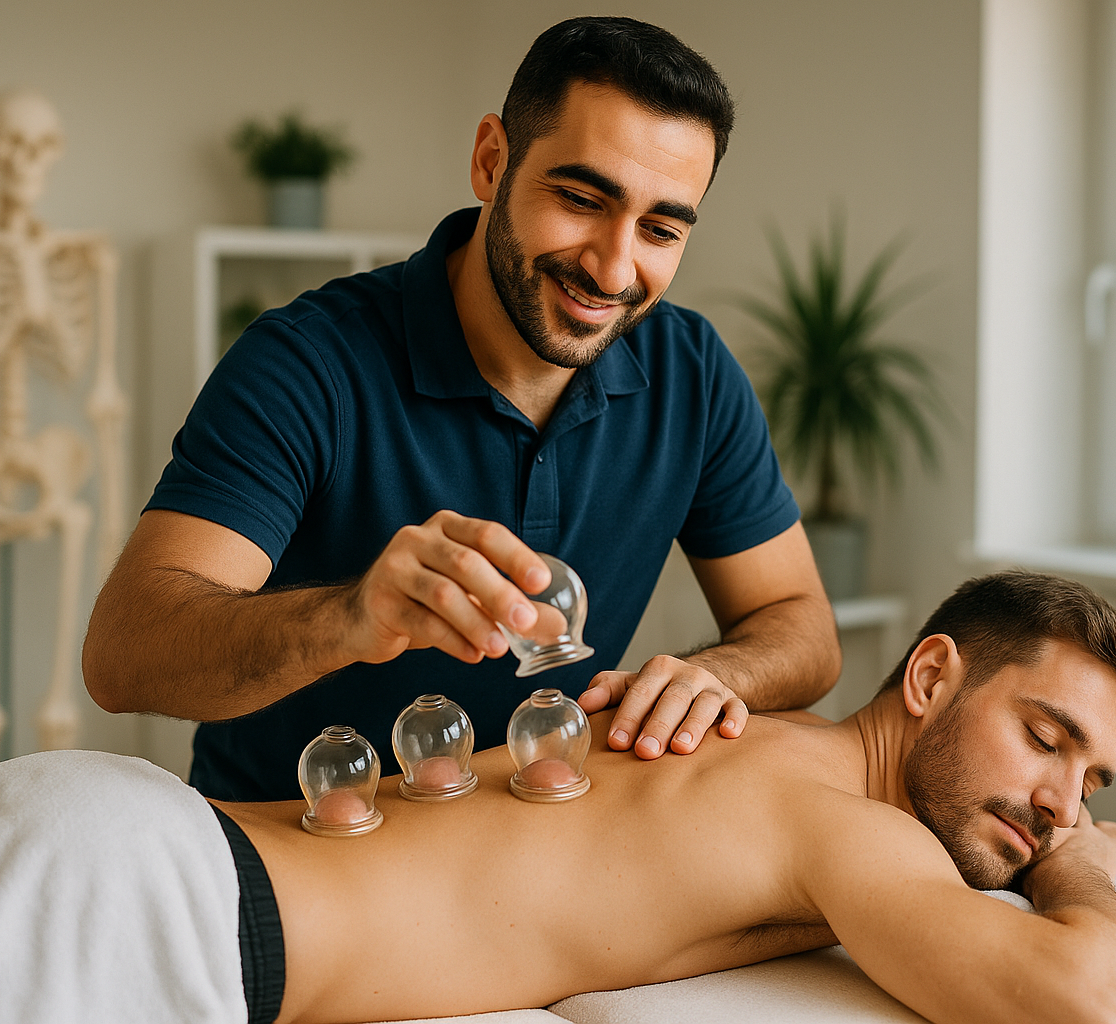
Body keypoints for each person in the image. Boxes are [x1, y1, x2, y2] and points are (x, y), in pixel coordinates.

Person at [83, 15, 841, 802]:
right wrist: (348, 617)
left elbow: (802, 626)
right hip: (289, 847)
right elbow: (124, 652)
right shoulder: (307, 362)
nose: (614, 267)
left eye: (659, 228)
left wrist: (713, 674)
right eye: (582, 198)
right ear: (491, 161)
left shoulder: (692, 370)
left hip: (526, 851)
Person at [0, 572, 1116, 1024]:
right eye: (1046, 739)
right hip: (147, 907)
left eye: (1092, 782)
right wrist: (1084, 872)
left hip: (116, 850)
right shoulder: (840, 821)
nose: (1059, 800)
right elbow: (1092, 1006)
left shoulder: (752, 742)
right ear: (934, 676)